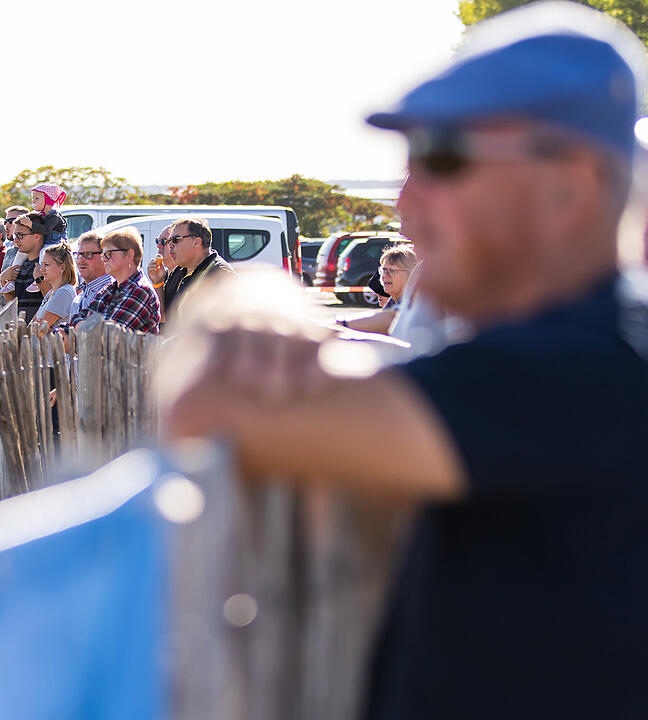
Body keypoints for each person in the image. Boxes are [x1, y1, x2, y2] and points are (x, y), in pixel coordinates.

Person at [162, 4, 648, 718]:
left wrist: (255, 305)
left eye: (445, 157)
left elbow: (204, 404)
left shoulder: (577, 367)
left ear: (569, 186)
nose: (407, 199)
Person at [68, 227, 160, 334]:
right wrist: (85, 330)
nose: (104, 259)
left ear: (129, 255)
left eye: (109, 254)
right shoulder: (110, 288)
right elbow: (77, 318)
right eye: (103, 254)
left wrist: (81, 331)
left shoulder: (140, 291)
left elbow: (110, 336)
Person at [162, 216, 233, 314]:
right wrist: (157, 283)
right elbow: (163, 316)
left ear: (196, 242)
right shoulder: (178, 271)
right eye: (169, 241)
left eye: (176, 239)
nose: (170, 245)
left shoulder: (221, 273)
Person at [1, 213, 48, 320]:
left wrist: (40, 280)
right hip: (22, 330)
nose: (16, 240)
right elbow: (14, 306)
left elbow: (52, 300)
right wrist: (3, 280)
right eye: (15, 236)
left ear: (36, 236)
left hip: (41, 332)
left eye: (20, 236)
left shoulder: (46, 267)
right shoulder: (21, 265)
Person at [32, 243, 79, 329]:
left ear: (62, 267)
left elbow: (38, 329)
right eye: (42, 264)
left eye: (46, 265)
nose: (42, 269)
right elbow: (33, 325)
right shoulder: (51, 293)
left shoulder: (64, 293)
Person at [0, 205, 32, 303]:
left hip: (14, 312)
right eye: (5, 222)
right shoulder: (9, 251)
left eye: (11, 221)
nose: (7, 225)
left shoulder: (28, 253)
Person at [71, 230, 114, 318]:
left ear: (104, 256)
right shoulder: (80, 296)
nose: (80, 260)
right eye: (78, 254)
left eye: (88, 254)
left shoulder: (112, 292)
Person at [146, 225, 178, 306]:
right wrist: (157, 283)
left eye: (163, 241)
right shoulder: (164, 275)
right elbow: (159, 316)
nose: (158, 245)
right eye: (157, 241)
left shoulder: (186, 277)